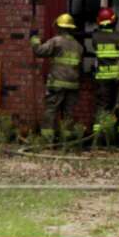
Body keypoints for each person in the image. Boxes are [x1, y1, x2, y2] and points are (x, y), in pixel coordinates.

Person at [30, 12, 85, 141]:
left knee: (51, 110)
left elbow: (39, 51)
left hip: (57, 83)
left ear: (59, 27)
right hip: (73, 85)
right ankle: (66, 141)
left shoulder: (56, 41)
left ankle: (47, 139)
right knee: (68, 113)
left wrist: (34, 38)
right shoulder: (79, 46)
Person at [90, 7, 119, 139]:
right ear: (114, 21)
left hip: (102, 78)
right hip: (118, 78)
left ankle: (98, 137)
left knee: (102, 106)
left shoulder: (96, 37)